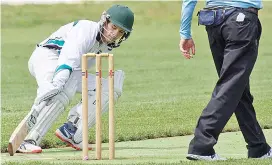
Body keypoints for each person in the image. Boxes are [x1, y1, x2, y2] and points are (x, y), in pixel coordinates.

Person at [17, 4, 134, 153]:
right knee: (65, 86)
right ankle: (28, 139)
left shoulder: (106, 45)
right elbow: (69, 58)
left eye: (120, 31)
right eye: (113, 27)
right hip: (47, 56)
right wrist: (58, 82)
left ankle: (72, 130)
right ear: (105, 20)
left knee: (111, 87)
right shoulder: (86, 29)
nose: (114, 34)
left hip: (69, 69)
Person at [179, 0, 271, 161]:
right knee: (231, 85)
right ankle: (201, 145)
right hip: (241, 22)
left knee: (236, 87)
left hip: (213, 21)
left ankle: (259, 147)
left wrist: (185, 33)